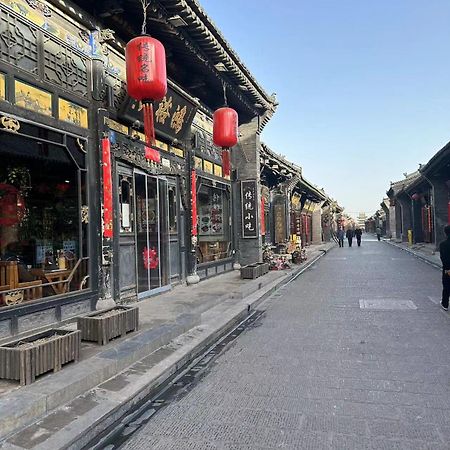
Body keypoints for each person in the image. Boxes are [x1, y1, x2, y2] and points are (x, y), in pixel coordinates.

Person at [439, 225, 450, 311]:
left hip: (448, 269)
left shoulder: (443, 244)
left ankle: (445, 303)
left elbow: (443, 258)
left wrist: (447, 269)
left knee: (446, 286)